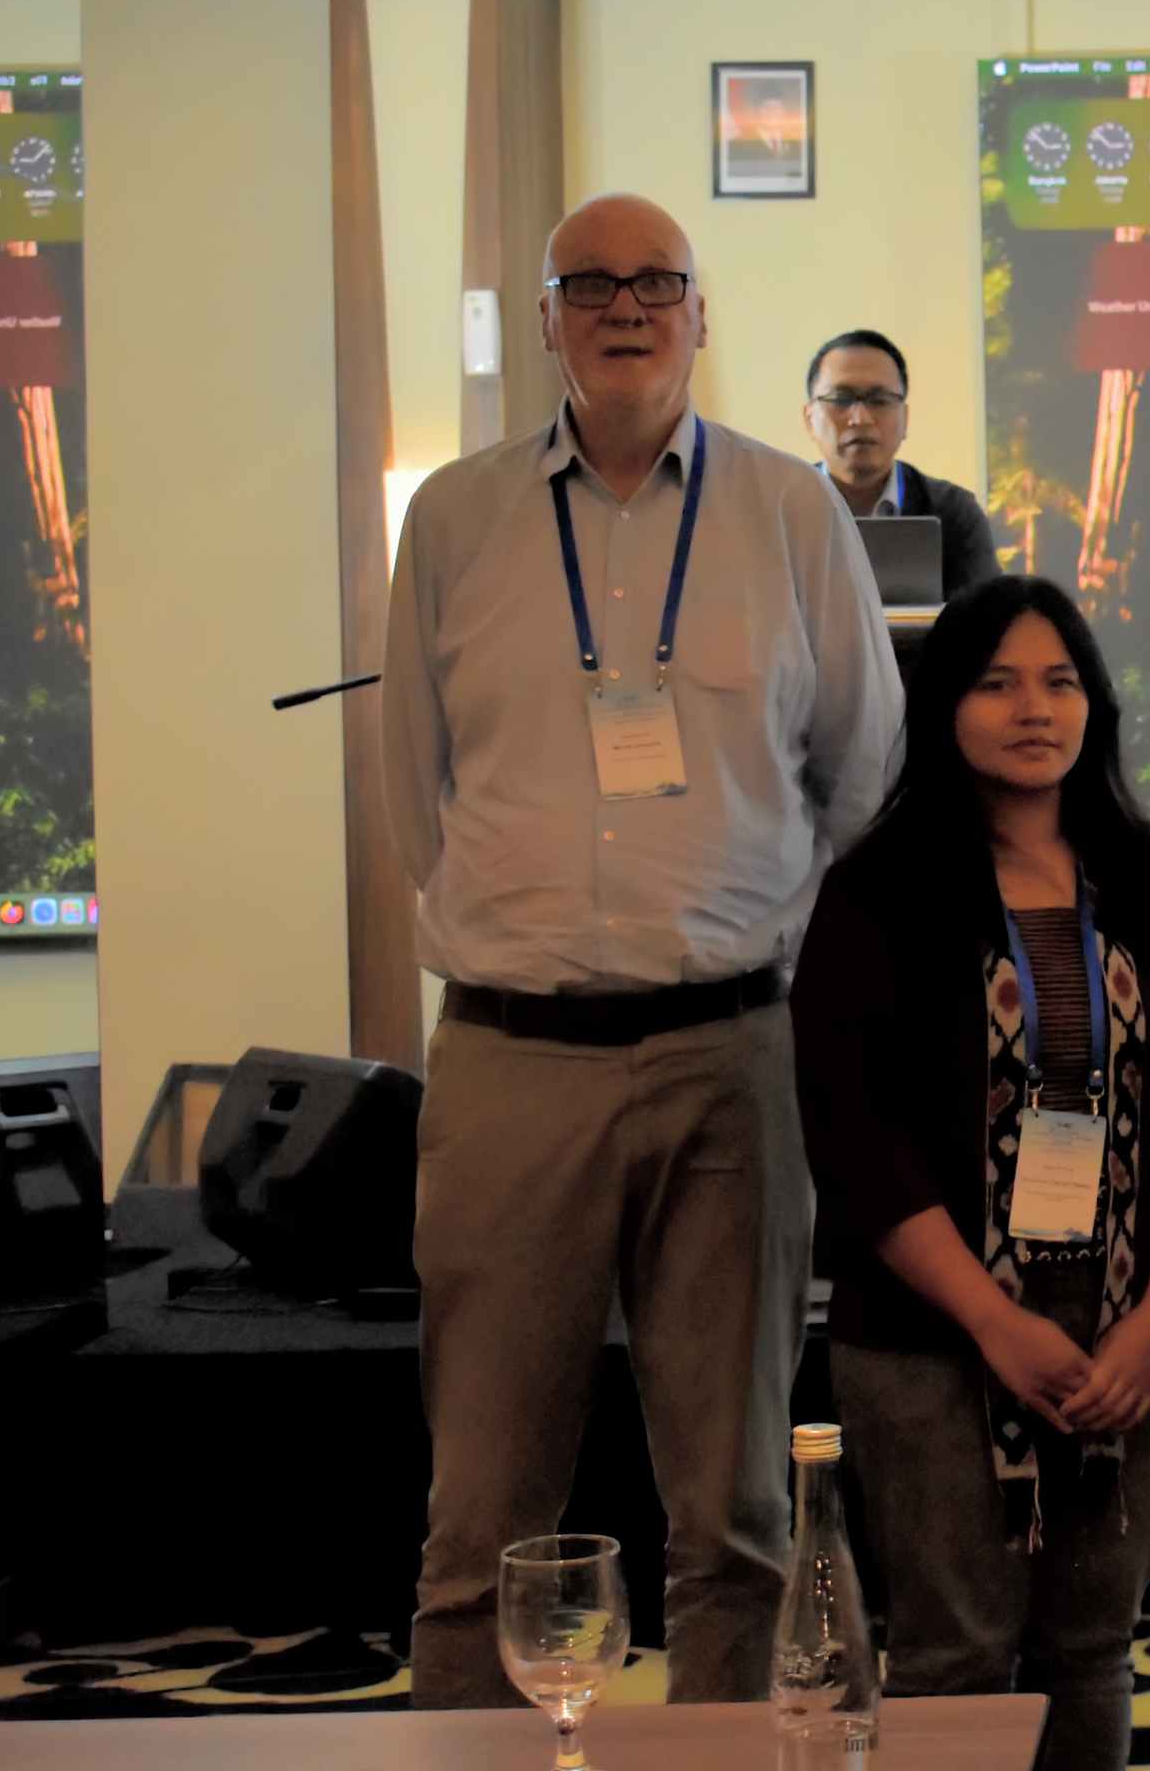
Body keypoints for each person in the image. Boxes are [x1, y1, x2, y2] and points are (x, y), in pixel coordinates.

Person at [383, 192, 902, 1707]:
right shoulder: (455, 518)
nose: (626, 307)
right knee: (480, 1521)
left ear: (700, 312)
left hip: (729, 1056)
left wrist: (751, 928)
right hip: (512, 1061)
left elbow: (861, 771)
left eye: (657, 282)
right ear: (547, 316)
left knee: (735, 1518)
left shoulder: (792, 515)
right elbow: (413, 790)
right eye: (591, 282)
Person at [790, 576, 1150, 1769]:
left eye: (1059, 681)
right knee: (954, 1649)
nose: (1032, 709)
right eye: (996, 683)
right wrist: (995, 1321)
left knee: (1092, 1646)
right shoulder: (878, 890)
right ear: (945, 704)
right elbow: (857, 1137)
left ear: (1095, 703)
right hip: (932, 1330)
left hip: (1128, 1324)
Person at [804, 328, 999, 599]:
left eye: (879, 400)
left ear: (905, 419)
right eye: (841, 399)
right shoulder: (780, 510)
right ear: (809, 419)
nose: (860, 418)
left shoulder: (954, 513)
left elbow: (988, 616)